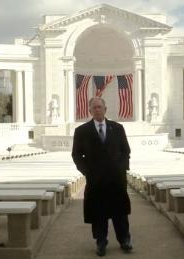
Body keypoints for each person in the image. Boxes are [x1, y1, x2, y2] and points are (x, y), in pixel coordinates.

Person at [72, 97, 133, 257]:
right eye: (94, 107)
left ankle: (125, 240)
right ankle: (101, 242)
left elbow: (126, 151)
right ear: (90, 111)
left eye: (100, 107)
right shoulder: (81, 131)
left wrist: (121, 169)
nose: (97, 110)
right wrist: (88, 172)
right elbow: (76, 155)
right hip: (96, 180)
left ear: (105, 109)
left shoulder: (118, 128)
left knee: (120, 212)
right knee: (98, 213)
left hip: (116, 179)